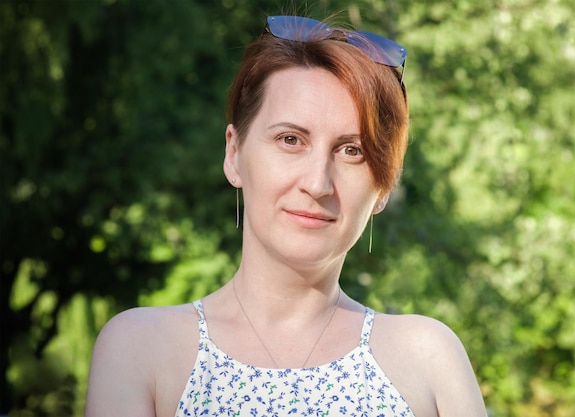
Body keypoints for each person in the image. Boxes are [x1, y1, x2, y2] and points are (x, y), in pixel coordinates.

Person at [85, 15, 488, 417]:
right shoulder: (142, 349)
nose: (318, 183)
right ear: (234, 154)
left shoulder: (428, 358)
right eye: (290, 140)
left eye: (352, 151)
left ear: (384, 186)